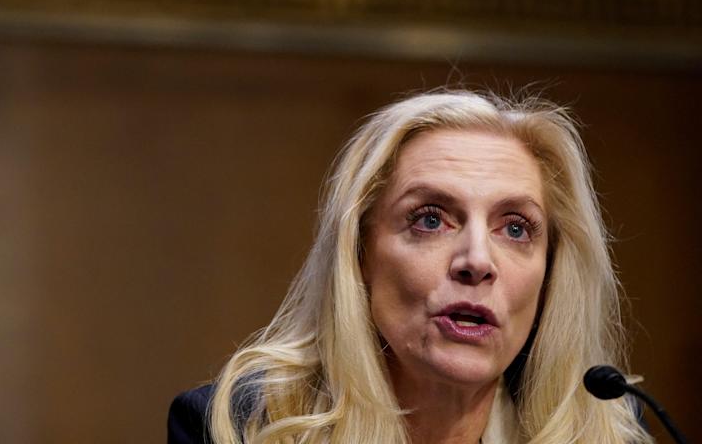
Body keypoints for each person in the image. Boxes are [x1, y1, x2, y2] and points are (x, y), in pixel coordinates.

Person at [168, 89, 652, 444]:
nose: (477, 261)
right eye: (430, 219)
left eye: (517, 228)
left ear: (551, 275)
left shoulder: (608, 430)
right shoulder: (238, 428)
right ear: (359, 254)